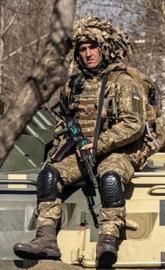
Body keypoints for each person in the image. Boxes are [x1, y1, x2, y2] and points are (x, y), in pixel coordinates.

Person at [13, 17, 149, 267]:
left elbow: (134, 124)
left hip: (120, 150)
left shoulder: (123, 81)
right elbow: (65, 119)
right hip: (83, 150)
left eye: (93, 48)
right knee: (49, 176)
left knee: (109, 178)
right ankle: (45, 239)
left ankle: (108, 238)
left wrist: (98, 144)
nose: (88, 54)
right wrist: (67, 141)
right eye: (83, 50)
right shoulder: (73, 85)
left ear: (104, 48)